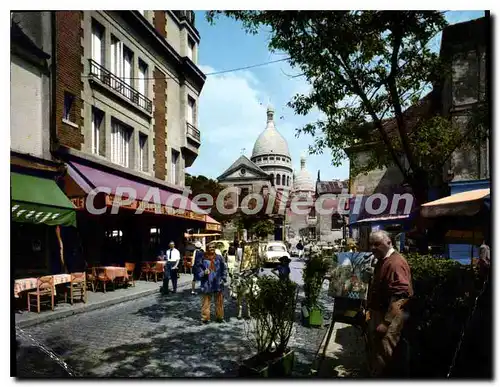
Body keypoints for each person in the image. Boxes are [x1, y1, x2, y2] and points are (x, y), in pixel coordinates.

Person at [366, 230, 413, 378]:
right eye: (371, 244)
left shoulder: (395, 263)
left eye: (377, 244)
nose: (373, 248)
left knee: (388, 355)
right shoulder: (384, 260)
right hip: (382, 313)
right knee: (381, 353)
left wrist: (386, 323)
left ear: (388, 242)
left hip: (390, 317)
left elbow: (400, 296)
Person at [196, 244, 227, 324]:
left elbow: (224, 268)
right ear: (207, 248)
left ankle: (220, 317)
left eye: (213, 247)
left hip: (217, 282)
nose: (211, 249)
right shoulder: (203, 258)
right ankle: (205, 318)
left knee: (219, 301)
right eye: (210, 247)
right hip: (207, 282)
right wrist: (203, 272)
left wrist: (223, 278)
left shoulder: (219, 258)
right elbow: (198, 270)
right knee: (206, 301)